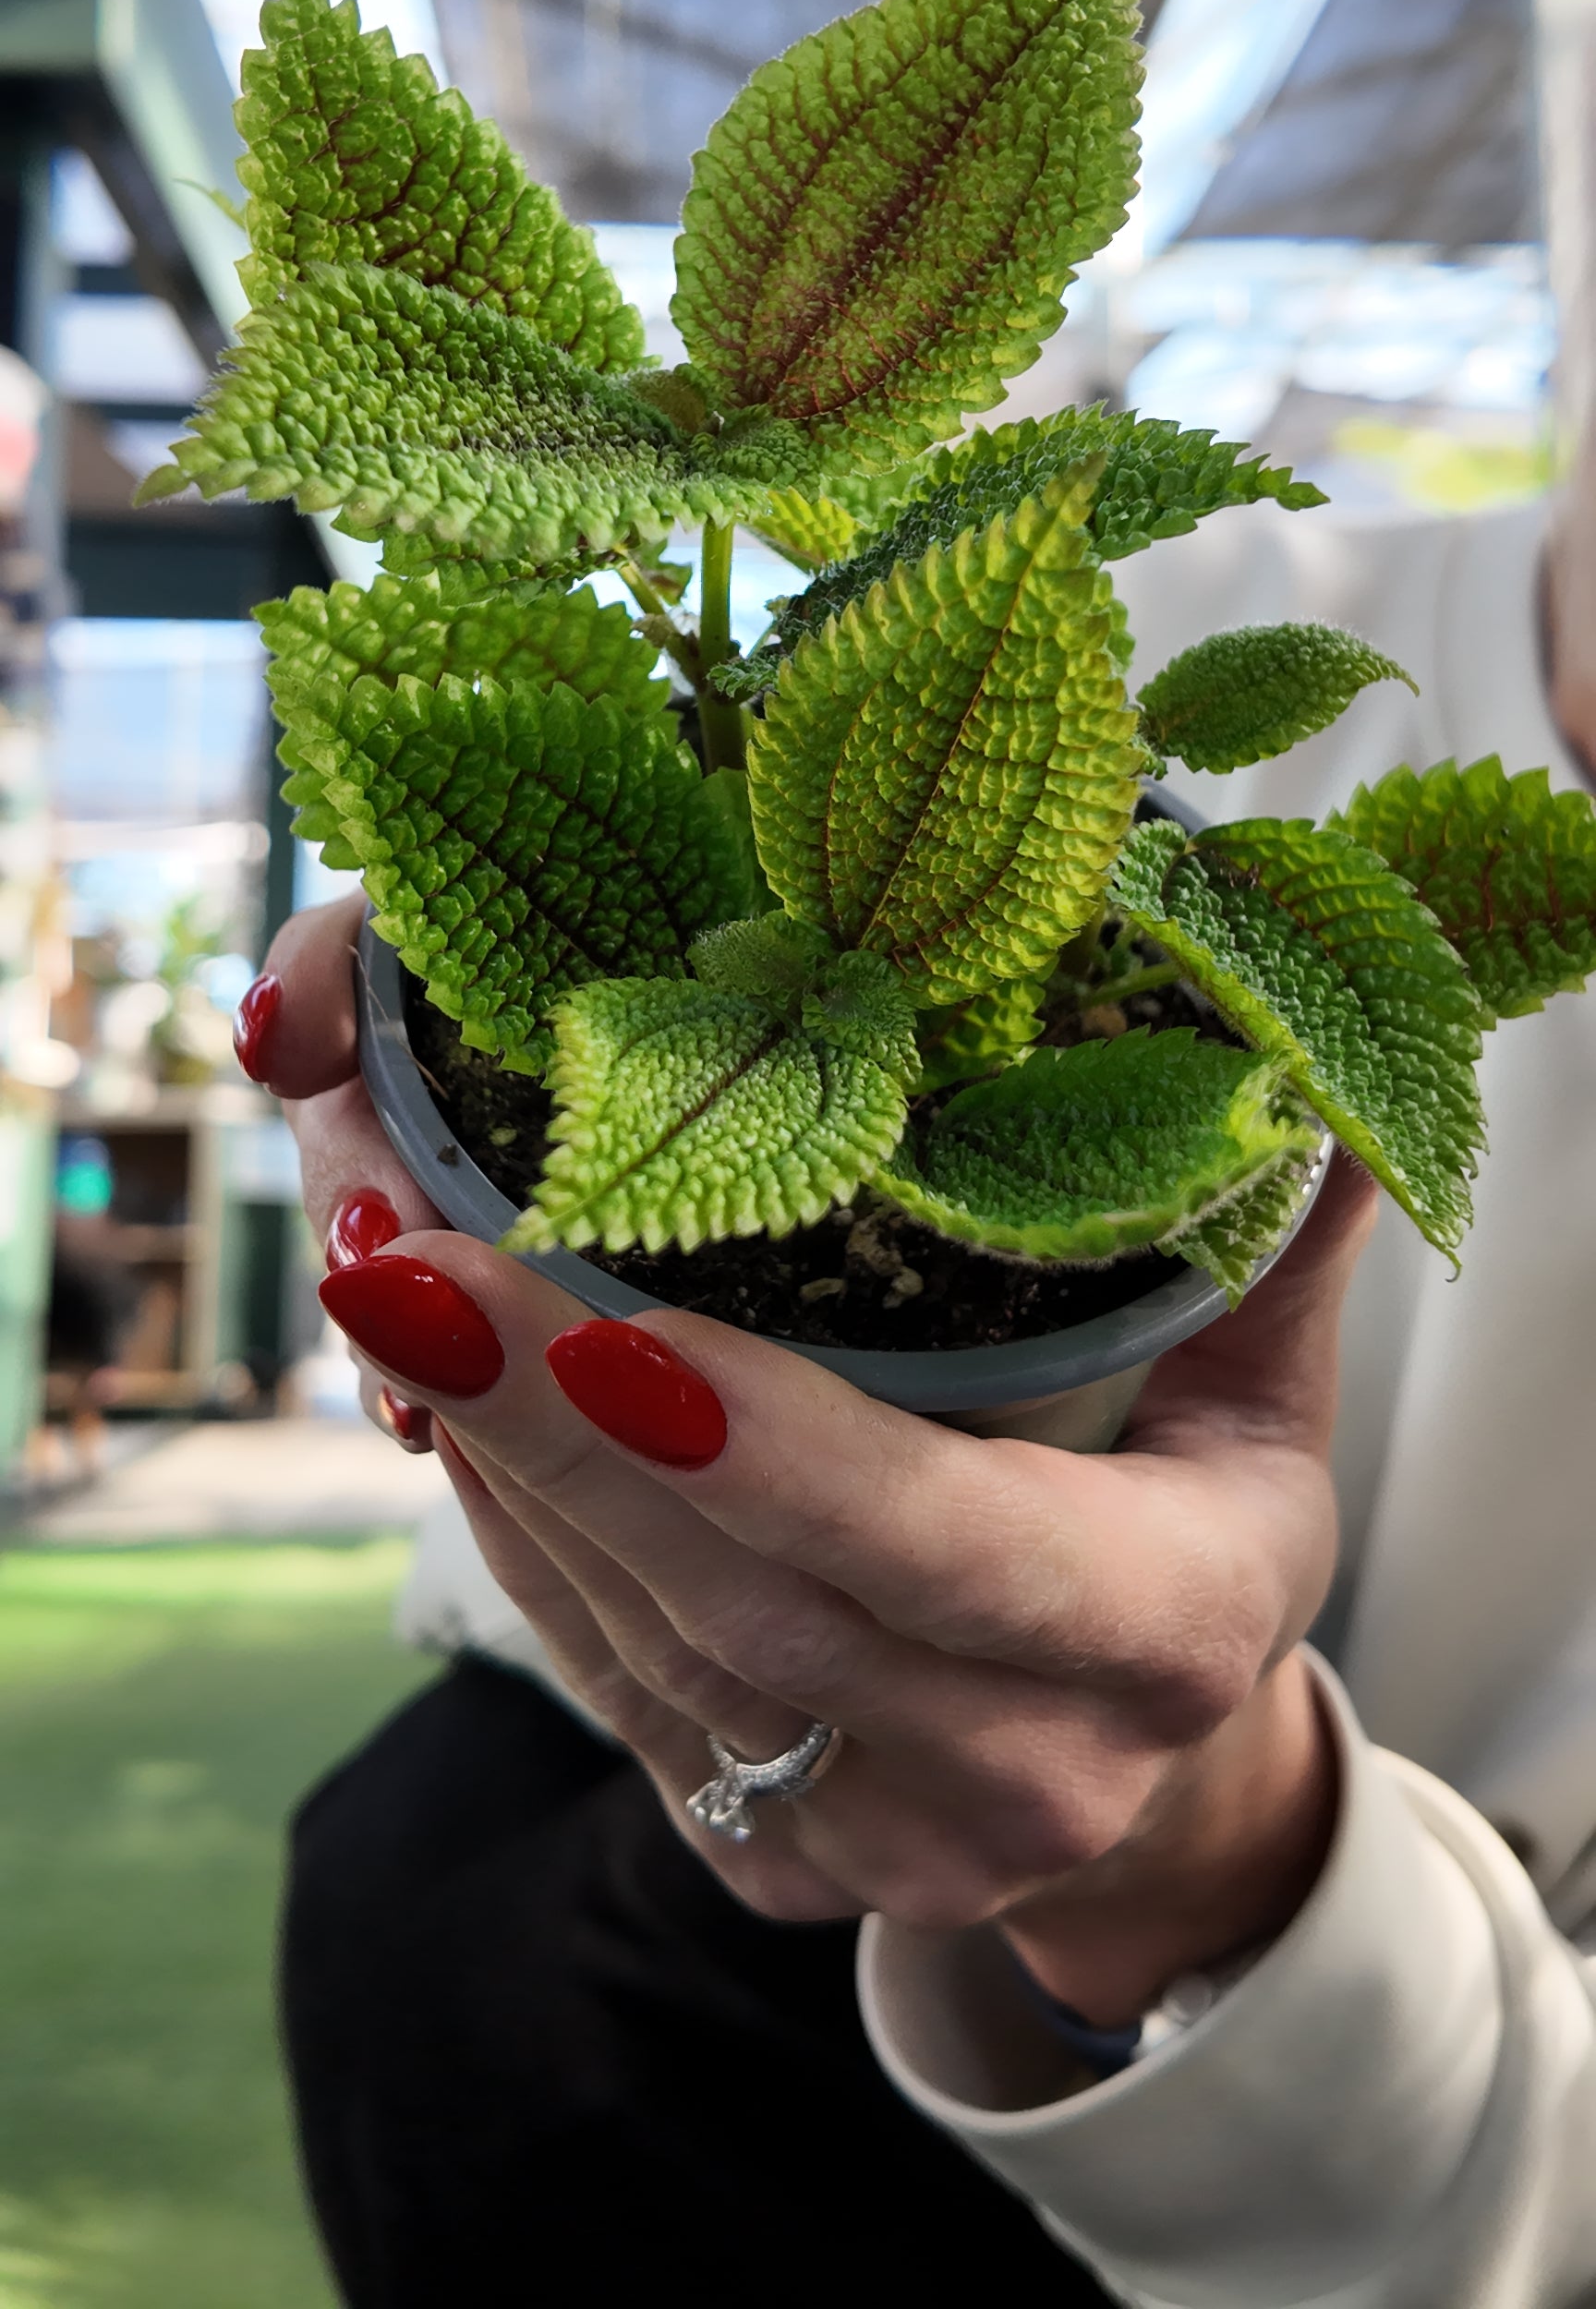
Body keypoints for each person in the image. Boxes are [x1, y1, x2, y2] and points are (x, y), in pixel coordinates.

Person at [248, 479, 1596, 2309]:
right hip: (573, 2010)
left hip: (1238, 2169)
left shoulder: (1112, 663)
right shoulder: (1113, 592)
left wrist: (1207, 1861)